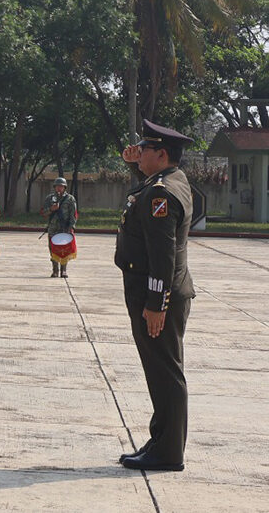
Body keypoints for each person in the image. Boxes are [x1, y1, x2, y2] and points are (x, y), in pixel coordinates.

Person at [115, 120, 196, 472]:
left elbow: (162, 256)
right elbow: (144, 194)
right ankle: (162, 440)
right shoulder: (168, 183)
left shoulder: (161, 193)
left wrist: (154, 304)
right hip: (162, 294)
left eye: (145, 149)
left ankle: (167, 452)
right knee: (161, 370)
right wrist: (135, 164)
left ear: (161, 154)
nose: (139, 152)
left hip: (158, 297)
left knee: (165, 372)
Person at [41, 177, 77, 278]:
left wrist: (71, 227)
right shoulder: (50, 198)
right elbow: (43, 212)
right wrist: (51, 209)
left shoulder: (70, 199)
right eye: (57, 186)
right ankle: (55, 270)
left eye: (61, 186)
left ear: (64, 187)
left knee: (64, 250)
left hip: (64, 228)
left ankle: (64, 271)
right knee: (53, 250)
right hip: (53, 228)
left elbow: (73, 214)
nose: (59, 188)